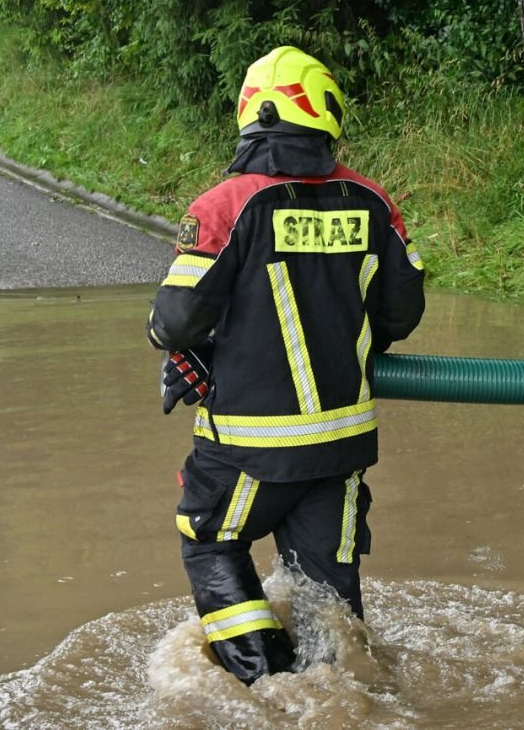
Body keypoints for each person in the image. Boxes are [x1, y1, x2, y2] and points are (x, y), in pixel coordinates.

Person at [147, 46, 426, 684]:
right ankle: (337, 695)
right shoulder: (373, 202)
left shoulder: (226, 205)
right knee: (327, 599)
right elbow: (399, 318)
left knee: (211, 542)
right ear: (327, 116)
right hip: (342, 448)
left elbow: (175, 323)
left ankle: (264, 686)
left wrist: (190, 351)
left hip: (246, 449)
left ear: (251, 113)